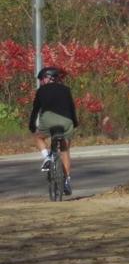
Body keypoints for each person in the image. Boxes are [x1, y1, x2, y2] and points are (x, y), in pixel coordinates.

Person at [28, 66, 78, 196]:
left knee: (39, 137)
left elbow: (35, 110)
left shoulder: (41, 91)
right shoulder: (66, 90)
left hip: (48, 120)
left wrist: (32, 125)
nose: (40, 82)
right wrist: (75, 123)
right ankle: (67, 181)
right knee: (65, 150)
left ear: (48, 78)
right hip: (66, 121)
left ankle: (47, 158)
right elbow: (72, 108)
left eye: (41, 79)